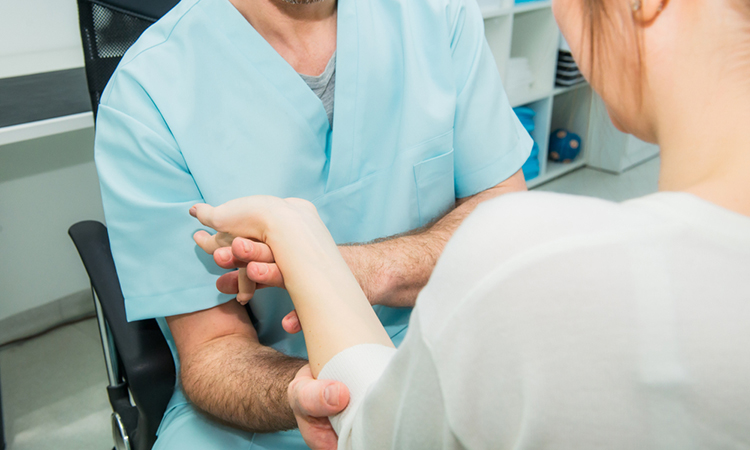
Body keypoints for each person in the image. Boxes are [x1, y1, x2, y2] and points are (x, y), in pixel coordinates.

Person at [191, 0, 750, 448]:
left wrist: (299, 237)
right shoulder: (156, 84)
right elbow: (209, 349)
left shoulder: (530, 260)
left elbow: (379, 432)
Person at [94, 0, 532, 447]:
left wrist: (341, 270)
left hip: (446, 347)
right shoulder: (146, 94)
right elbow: (213, 349)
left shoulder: (437, 15)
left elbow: (507, 217)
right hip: (278, 387)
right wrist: (307, 393)